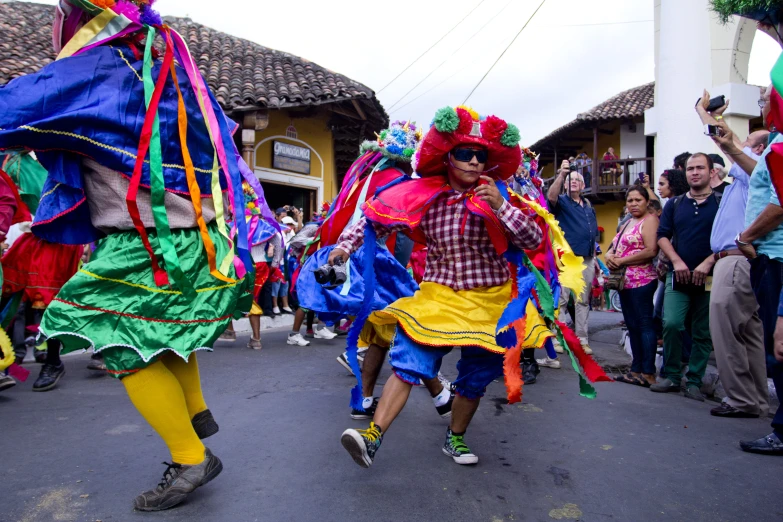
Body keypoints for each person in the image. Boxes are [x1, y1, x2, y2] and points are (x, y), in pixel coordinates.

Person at [0, 0, 278, 509]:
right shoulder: (171, 67)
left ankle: (190, 454)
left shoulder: (97, 65)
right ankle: (193, 409)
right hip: (194, 237)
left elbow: (11, 107)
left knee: (118, 342)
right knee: (165, 330)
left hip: (144, 241)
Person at [334, 106, 606, 468]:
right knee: (410, 363)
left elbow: (530, 238)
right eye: (466, 153)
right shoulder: (425, 194)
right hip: (438, 296)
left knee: (475, 378)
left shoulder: (500, 195)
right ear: (448, 157)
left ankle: (455, 438)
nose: (475, 162)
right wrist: (343, 247)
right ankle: (372, 439)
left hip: (490, 302)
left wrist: (500, 207)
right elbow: (376, 219)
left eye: (481, 156)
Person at [652, 153, 720, 399]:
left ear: (711, 172)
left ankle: (694, 381)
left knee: (702, 332)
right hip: (677, 275)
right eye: (690, 168)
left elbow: (731, 236)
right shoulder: (675, 204)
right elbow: (662, 235)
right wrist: (677, 261)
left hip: (710, 277)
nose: (694, 172)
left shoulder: (721, 202)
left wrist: (708, 262)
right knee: (670, 323)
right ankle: (671, 376)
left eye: (700, 168)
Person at [606, 186, 659, 386]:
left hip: (642, 281)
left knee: (645, 325)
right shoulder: (627, 223)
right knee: (632, 326)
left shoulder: (650, 220)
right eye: (630, 200)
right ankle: (635, 370)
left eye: (638, 200)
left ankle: (648, 372)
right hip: (625, 282)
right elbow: (612, 247)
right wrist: (610, 257)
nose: (634, 204)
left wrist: (622, 261)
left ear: (646, 202)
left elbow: (651, 250)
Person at [547, 161, 599, 353]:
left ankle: (582, 340)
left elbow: (592, 230)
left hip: (587, 258)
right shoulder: (561, 201)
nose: (575, 182)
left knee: (583, 300)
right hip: (567, 258)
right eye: (571, 180)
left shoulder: (587, 205)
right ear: (566, 185)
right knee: (561, 299)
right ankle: (557, 339)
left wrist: (595, 256)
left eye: (578, 180)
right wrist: (562, 174)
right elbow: (550, 196)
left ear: (583, 185)